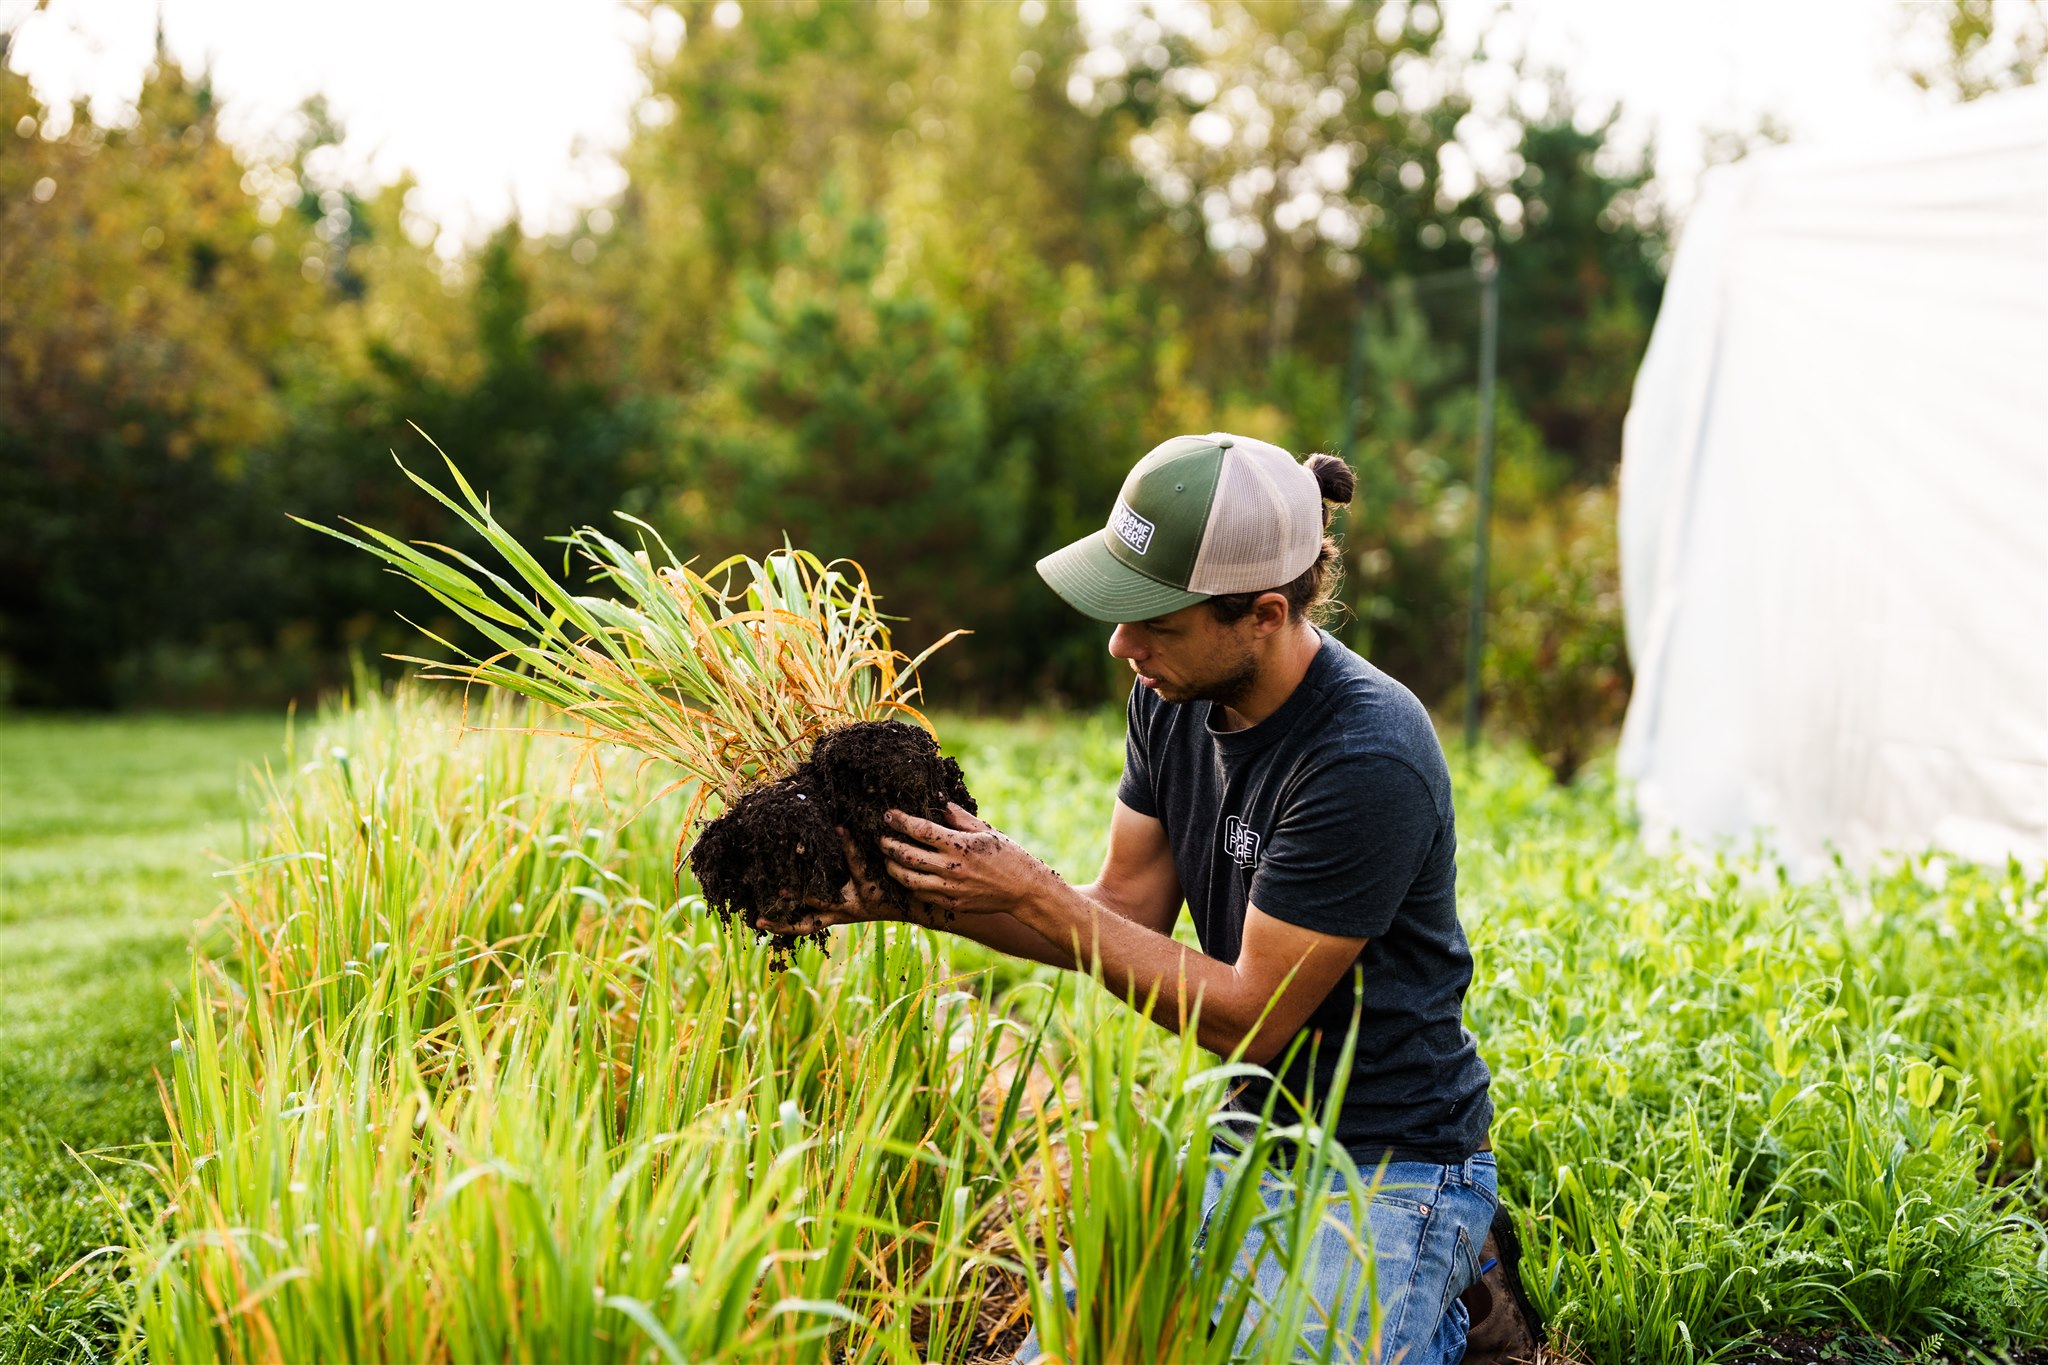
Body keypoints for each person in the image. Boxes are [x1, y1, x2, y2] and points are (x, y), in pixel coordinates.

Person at [759, 433, 1527, 1364]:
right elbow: (1120, 909)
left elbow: (1251, 1016)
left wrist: (1035, 889)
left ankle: (1457, 1282)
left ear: (1264, 612)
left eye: (1154, 620)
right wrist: (903, 892)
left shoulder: (1366, 754)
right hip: (1247, 1140)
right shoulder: (1168, 696)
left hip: (1391, 1159)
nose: (1122, 645)